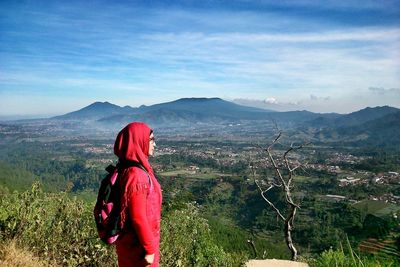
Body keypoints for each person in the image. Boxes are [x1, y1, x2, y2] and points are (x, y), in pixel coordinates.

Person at [113, 122, 162, 267]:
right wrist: (150, 250)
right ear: (139, 141)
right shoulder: (136, 175)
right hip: (138, 249)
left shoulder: (128, 169)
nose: (154, 144)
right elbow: (138, 217)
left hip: (133, 244)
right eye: (151, 139)